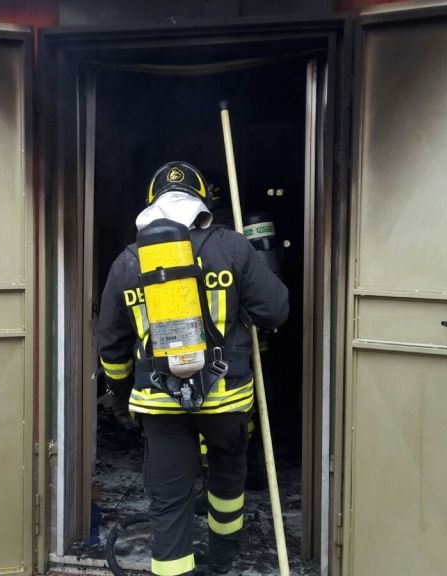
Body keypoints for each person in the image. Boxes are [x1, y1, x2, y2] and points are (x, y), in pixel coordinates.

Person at [96, 161, 289, 575]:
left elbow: (111, 346)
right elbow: (274, 311)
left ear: (151, 205)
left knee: (168, 503)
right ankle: (222, 560)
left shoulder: (127, 263)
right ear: (204, 201)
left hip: (160, 406)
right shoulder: (234, 247)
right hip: (227, 399)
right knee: (226, 483)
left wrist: (122, 394)